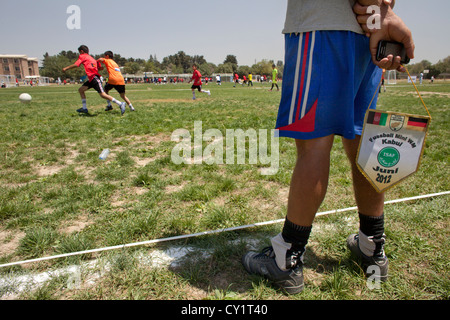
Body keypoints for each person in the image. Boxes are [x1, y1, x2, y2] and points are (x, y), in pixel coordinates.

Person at [242, 0, 414, 295]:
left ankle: (287, 258)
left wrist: (382, 13)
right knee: (364, 144)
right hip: (368, 36)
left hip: (322, 29)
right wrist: (381, 12)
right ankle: (371, 245)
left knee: (314, 148)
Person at [62, 45, 126, 115]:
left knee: (103, 94)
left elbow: (77, 64)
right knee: (81, 90)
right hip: (91, 79)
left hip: (94, 78)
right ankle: (84, 108)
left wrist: (66, 68)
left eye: (79, 52)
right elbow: (98, 67)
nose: (79, 54)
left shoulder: (83, 56)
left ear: (81, 51)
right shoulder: (91, 58)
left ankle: (120, 104)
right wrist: (99, 68)